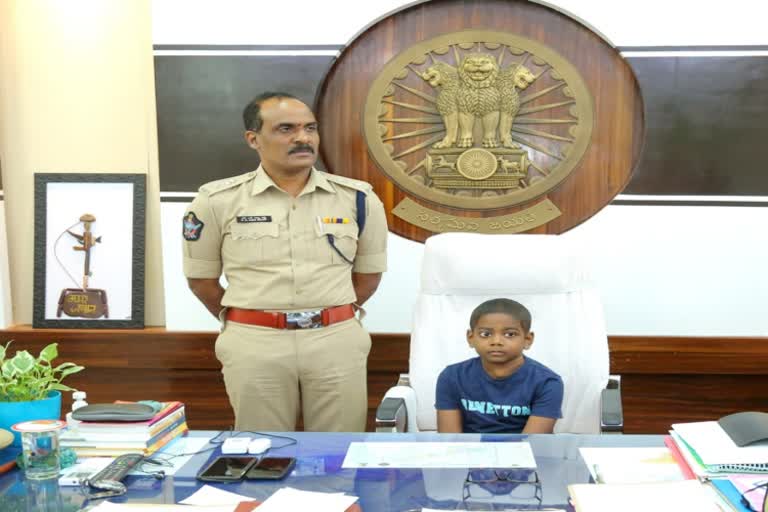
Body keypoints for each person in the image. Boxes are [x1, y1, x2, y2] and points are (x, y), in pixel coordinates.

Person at [182, 91, 388, 432]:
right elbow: (201, 280)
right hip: (255, 342)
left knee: (338, 452)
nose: (302, 138)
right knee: (263, 452)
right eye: (286, 129)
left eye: (310, 128)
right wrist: (256, 318)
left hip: (334, 339)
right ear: (253, 139)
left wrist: (321, 314)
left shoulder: (358, 198)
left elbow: (368, 276)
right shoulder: (216, 200)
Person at [435, 298, 563, 434]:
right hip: (468, 451)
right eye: (485, 334)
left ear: (527, 339)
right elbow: (450, 440)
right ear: (471, 338)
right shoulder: (451, 377)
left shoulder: (548, 382)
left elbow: (532, 442)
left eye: (510, 334)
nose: (496, 341)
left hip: (525, 452)